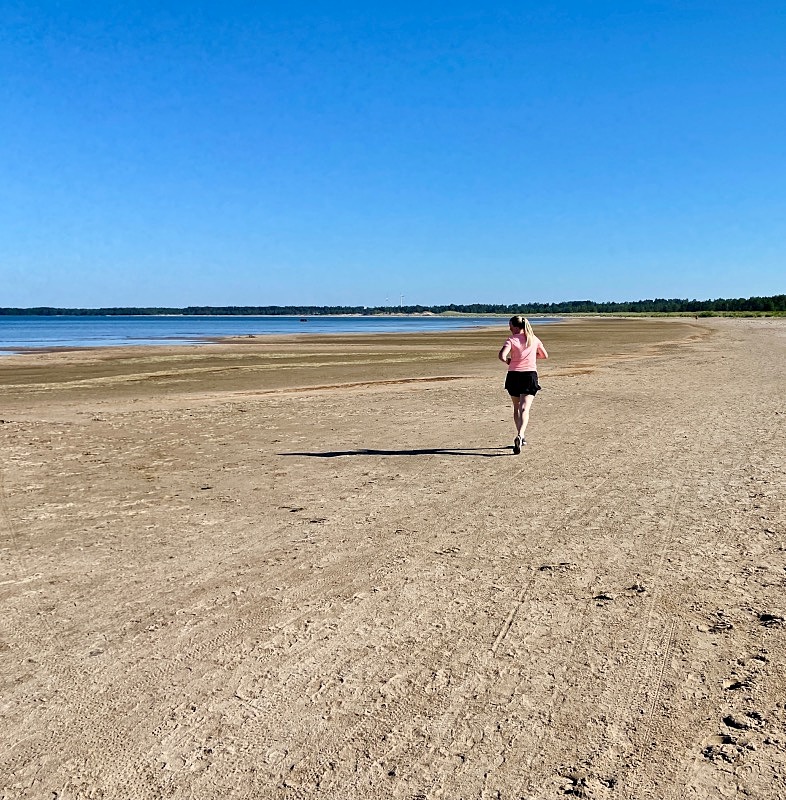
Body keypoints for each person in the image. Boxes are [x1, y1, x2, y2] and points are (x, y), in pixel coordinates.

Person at [498, 315, 548, 454]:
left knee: (516, 408)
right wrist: (531, 356)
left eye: (511, 326)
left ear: (516, 327)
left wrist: (509, 361)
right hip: (529, 375)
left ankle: (521, 435)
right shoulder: (534, 339)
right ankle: (521, 434)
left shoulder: (511, 340)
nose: (509, 328)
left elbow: (501, 356)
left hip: (514, 375)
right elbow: (544, 355)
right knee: (524, 408)